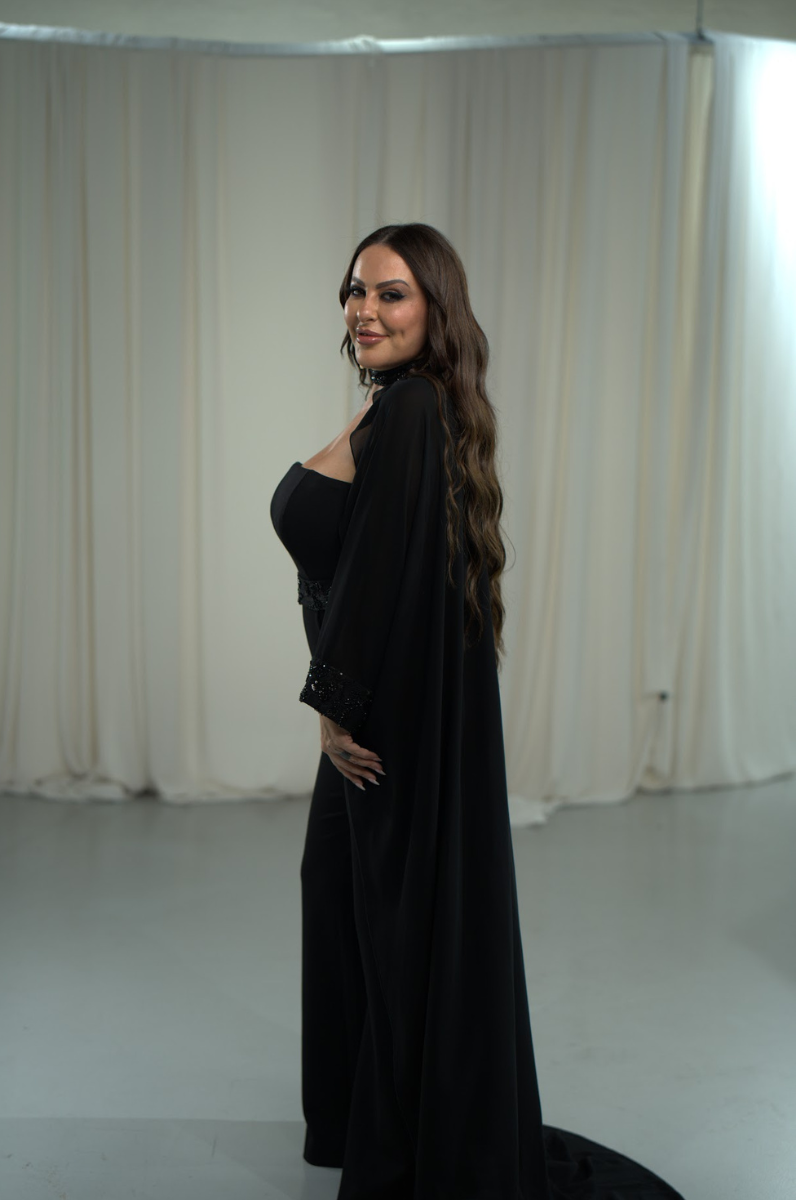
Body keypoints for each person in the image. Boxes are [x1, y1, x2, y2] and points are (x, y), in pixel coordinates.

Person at [270, 223, 685, 1199]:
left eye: (391, 294)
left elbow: (373, 580)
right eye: (354, 290)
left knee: (372, 916)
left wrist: (333, 708)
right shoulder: (395, 408)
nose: (363, 309)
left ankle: (402, 1142)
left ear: (435, 310)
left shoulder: (410, 411)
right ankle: (371, 1120)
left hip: (379, 732)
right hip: (379, 716)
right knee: (341, 903)